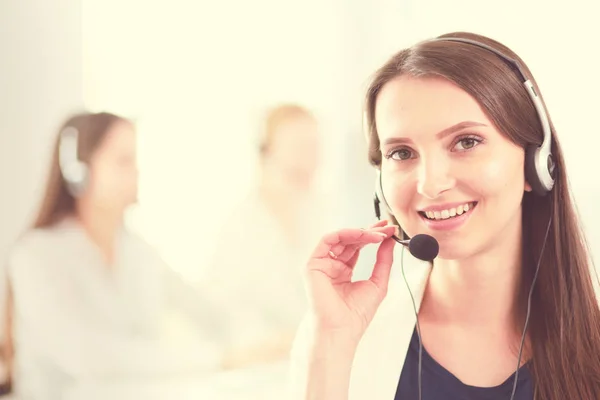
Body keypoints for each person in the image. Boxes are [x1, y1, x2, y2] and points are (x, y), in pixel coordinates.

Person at [289, 32, 600, 399]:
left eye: (466, 142)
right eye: (402, 153)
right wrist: (331, 346)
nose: (430, 184)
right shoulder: (343, 338)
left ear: (535, 162)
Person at [4, 112, 227, 400]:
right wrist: (215, 358)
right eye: (123, 161)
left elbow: (207, 312)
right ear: (77, 171)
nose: (137, 172)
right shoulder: (36, 255)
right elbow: (86, 355)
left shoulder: (139, 252)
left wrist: (262, 342)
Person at [202, 103, 331, 370]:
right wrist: (276, 343)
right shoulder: (240, 227)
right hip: (258, 366)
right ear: (266, 152)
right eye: (299, 147)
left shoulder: (318, 213)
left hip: (311, 359)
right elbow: (225, 312)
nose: (311, 160)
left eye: (315, 147)